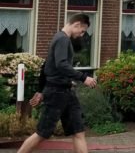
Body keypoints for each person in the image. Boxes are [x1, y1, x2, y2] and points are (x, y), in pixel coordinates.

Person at [18, 13, 97, 153]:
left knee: (78, 131)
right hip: (56, 93)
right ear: (76, 24)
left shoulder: (60, 38)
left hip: (66, 92)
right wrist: (83, 78)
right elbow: (61, 65)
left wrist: (41, 90)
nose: (81, 35)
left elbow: (46, 65)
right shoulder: (62, 39)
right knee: (42, 133)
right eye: (82, 31)